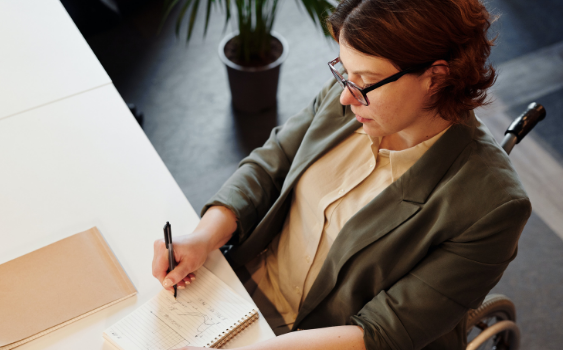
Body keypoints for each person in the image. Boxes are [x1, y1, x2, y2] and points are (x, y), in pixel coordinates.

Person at [152, 0, 532, 349]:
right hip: (244, 291)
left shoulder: (495, 207)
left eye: (364, 81)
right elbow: (270, 165)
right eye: (344, 73)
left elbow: (386, 330)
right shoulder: (358, 100)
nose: (345, 97)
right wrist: (202, 238)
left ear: (435, 77)